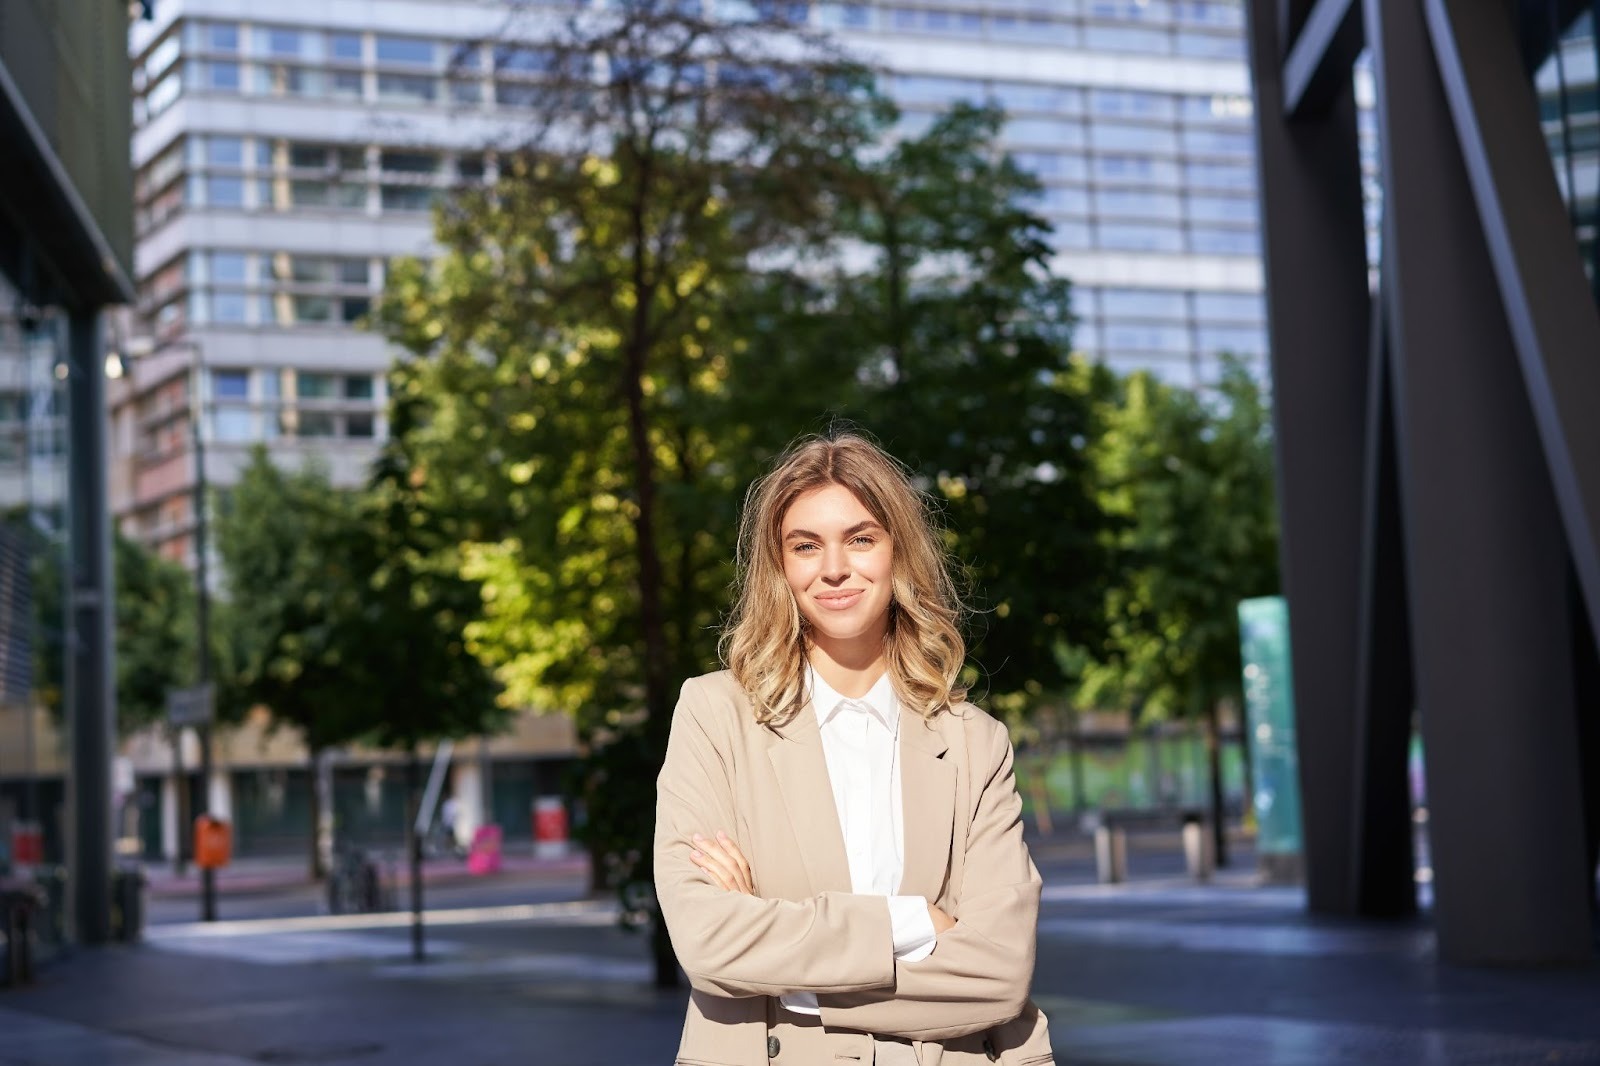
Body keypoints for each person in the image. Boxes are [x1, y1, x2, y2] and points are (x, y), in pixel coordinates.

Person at [655, 432, 1053, 1065]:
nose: (833, 568)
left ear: (898, 552)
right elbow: (708, 942)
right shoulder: (716, 715)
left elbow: (999, 974)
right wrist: (913, 924)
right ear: (780, 565)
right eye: (805, 546)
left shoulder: (975, 742)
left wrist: (790, 974)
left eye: (861, 539)